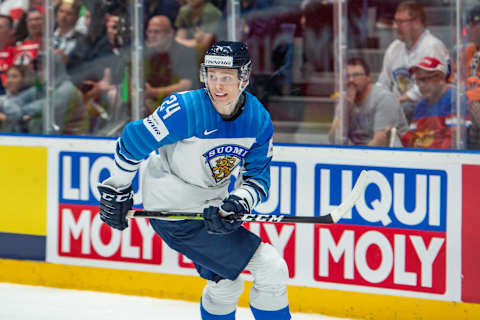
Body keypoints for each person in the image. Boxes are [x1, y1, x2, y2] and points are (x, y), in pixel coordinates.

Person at [97, 41, 291, 320]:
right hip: (174, 212)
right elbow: (133, 139)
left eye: (226, 77)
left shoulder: (257, 119)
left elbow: (257, 177)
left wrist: (239, 201)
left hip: (211, 208)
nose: (218, 86)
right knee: (271, 267)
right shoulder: (185, 109)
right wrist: (117, 187)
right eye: (212, 76)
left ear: (244, 77)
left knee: (226, 284)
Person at [376, 1, 449, 121]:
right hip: (399, 106)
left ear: (416, 23)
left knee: (405, 108)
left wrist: (396, 102)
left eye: (400, 22)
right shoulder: (394, 48)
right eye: (395, 21)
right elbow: (383, 82)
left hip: (428, 108)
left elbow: (432, 87)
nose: (395, 26)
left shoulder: (433, 47)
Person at [329, 57, 408, 146]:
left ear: (368, 77)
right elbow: (333, 140)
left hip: (389, 154)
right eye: (347, 76)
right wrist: (346, 110)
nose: (351, 80)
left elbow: (380, 141)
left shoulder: (384, 98)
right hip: (361, 152)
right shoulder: (346, 101)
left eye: (356, 75)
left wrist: (356, 158)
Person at [401, 55, 469, 149]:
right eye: (418, 80)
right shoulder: (420, 106)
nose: (420, 85)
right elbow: (412, 139)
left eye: (424, 79)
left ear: (440, 78)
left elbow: (453, 141)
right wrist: (399, 137)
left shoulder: (455, 98)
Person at [144, 15, 198, 115]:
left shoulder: (186, 53)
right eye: (149, 32)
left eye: (156, 32)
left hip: (181, 107)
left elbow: (185, 86)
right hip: (153, 107)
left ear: (170, 33)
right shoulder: (146, 54)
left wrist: (153, 92)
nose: (152, 36)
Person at [449, 4, 480, 149]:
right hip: (466, 115)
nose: (469, 28)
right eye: (468, 23)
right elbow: (453, 86)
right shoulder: (465, 53)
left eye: (473, 23)